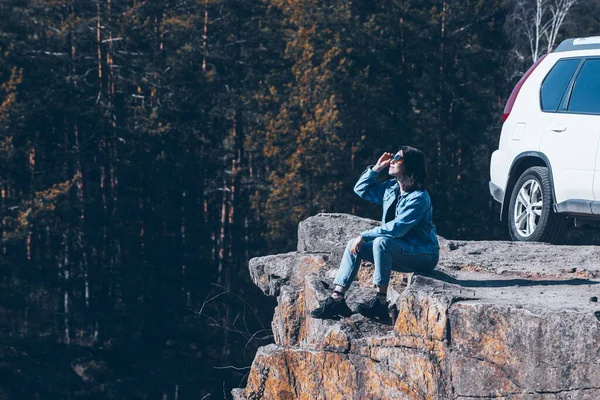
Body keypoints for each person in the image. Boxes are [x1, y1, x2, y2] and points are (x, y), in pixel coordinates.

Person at [310, 145, 440, 322]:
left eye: (397, 158)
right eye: (392, 158)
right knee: (353, 245)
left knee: (380, 242)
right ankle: (337, 299)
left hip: (423, 255)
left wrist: (364, 235)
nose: (392, 161)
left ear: (410, 165)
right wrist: (376, 169)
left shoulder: (418, 197)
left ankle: (380, 302)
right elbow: (361, 189)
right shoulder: (391, 188)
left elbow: (398, 228)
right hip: (400, 251)